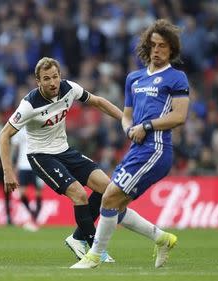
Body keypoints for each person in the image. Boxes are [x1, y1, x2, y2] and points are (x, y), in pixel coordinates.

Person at [71, 19, 190, 269]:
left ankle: (94, 255)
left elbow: (179, 117)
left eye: (163, 46)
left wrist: (146, 127)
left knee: (110, 197)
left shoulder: (176, 78)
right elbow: (127, 114)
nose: (157, 50)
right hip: (137, 149)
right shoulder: (134, 78)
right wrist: (128, 128)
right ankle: (162, 239)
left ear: (172, 50)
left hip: (156, 150)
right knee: (116, 203)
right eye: (153, 45)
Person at [0, 57, 122, 263]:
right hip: (41, 156)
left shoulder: (69, 89)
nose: (52, 82)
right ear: (38, 82)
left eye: (55, 77)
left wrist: (125, 119)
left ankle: (77, 238)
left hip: (64, 150)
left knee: (107, 189)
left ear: (60, 76)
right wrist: (8, 171)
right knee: (79, 195)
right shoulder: (29, 104)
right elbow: (4, 134)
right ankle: (96, 251)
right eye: (46, 79)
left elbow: (98, 102)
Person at [11, 128, 43, 231]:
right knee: (22, 193)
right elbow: (15, 146)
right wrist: (13, 163)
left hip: (37, 165)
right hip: (23, 165)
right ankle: (33, 215)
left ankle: (34, 220)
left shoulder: (39, 126)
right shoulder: (20, 128)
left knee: (38, 193)